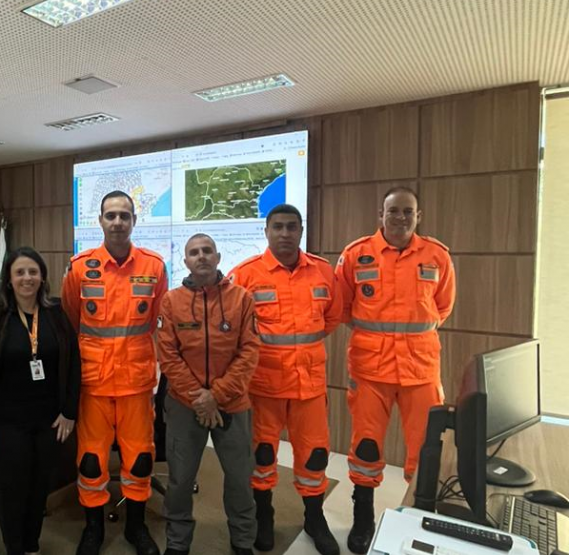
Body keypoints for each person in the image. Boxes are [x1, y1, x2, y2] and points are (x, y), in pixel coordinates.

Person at [336, 187, 455, 553]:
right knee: (367, 448)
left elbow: (443, 307)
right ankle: (363, 517)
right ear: (380, 214)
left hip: (420, 371)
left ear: (418, 216)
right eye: (394, 211)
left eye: (408, 211)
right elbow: (342, 308)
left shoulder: (437, 256)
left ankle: (419, 518)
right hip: (370, 370)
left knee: (425, 451)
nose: (401, 217)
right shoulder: (357, 255)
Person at [229, 204, 342, 555]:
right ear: (266, 231)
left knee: (314, 458)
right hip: (262, 388)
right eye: (277, 227)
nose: (284, 233)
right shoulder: (245, 275)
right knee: (261, 457)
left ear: (300, 231)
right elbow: (232, 327)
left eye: (291, 227)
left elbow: (332, 318)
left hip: (308, 387)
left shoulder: (323, 273)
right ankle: (265, 516)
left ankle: (314, 517)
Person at [62, 190, 168, 555]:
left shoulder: (154, 266)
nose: (118, 222)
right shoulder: (80, 267)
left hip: (137, 383)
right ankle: (93, 528)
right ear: (101, 221)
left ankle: (135, 528)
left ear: (134, 221)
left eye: (125, 215)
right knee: (91, 460)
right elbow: (71, 321)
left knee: (139, 458)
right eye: (111, 215)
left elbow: (156, 321)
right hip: (92, 383)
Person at [0, 247, 81, 555]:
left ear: (42, 276)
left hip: (49, 420)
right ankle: (15, 548)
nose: (27, 278)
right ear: (8, 279)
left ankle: (31, 545)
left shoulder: (56, 314)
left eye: (33, 271)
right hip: (5, 422)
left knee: (38, 487)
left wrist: (70, 411)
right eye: (19, 272)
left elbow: (74, 364)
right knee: (11, 491)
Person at [156, 234, 259, 555]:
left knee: (240, 480)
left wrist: (216, 395)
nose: (201, 257)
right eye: (193, 253)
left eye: (206, 251)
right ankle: (177, 542)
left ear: (217, 256)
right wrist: (199, 398)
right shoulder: (171, 301)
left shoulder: (242, 299)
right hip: (185, 406)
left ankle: (242, 542)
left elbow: (250, 351)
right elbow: (168, 356)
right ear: (185, 261)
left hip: (232, 403)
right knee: (180, 480)